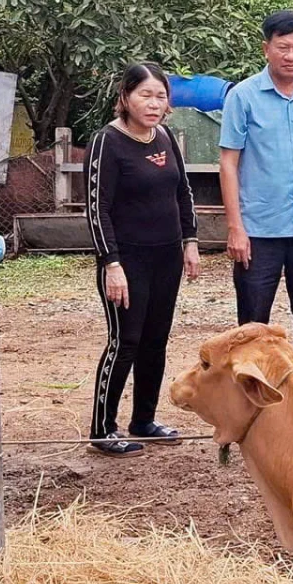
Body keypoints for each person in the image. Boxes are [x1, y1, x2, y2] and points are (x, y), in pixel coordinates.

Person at [85, 63, 200, 456]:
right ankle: (102, 428)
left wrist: (190, 240)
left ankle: (144, 420)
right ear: (125, 97)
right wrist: (111, 263)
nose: (153, 104)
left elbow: (183, 192)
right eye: (145, 95)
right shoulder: (107, 142)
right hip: (126, 261)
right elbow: (96, 209)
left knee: (155, 340)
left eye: (160, 96)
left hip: (166, 257)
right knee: (126, 341)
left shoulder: (164, 136)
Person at [219, 10, 293, 353]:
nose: (291, 56)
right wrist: (235, 228)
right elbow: (228, 163)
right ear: (266, 49)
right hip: (259, 230)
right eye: (283, 47)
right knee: (252, 327)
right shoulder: (243, 96)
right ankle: (250, 386)